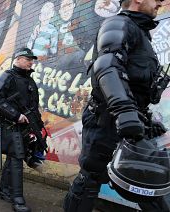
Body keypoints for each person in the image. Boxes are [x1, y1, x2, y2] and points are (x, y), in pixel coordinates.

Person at [63, 0, 169, 211]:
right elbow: (107, 65)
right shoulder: (118, 24)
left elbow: (134, 86)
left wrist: (146, 119)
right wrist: (125, 111)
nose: (159, 2)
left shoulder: (140, 32)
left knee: (149, 178)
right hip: (106, 121)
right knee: (90, 179)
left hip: (130, 122)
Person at [0, 47, 44, 212]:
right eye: (28, 59)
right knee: (17, 159)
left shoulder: (30, 81)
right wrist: (16, 115)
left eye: (31, 60)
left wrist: (40, 126)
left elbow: (34, 107)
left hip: (26, 128)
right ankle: (17, 199)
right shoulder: (7, 76)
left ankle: (3, 190)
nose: (30, 62)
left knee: (14, 158)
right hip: (10, 125)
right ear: (18, 59)